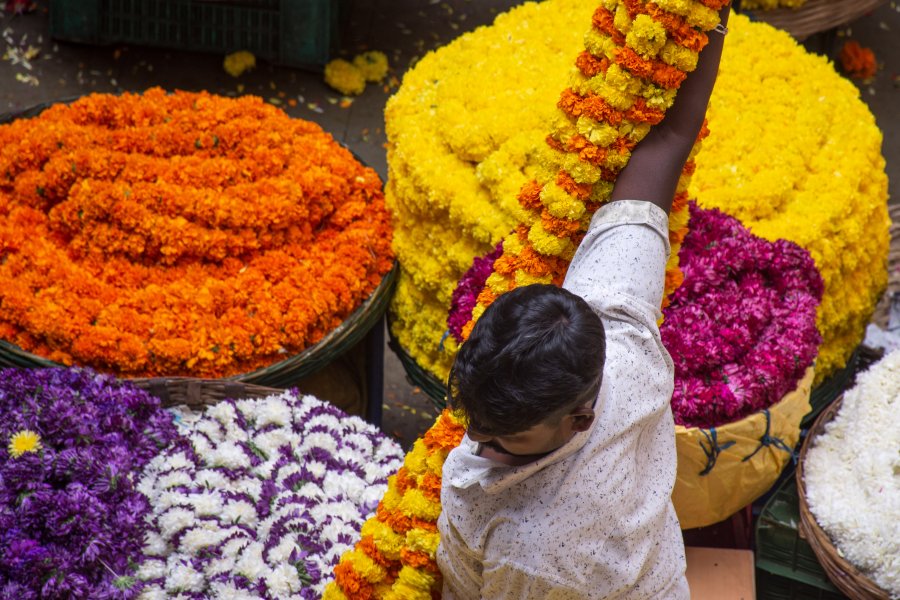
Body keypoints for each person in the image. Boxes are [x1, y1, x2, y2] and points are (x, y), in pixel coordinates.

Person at [436, 5, 731, 599]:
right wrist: (711, 14)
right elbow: (667, 142)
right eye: (476, 419)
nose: (476, 441)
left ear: (581, 419)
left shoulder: (540, 554)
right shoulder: (619, 328)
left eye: (505, 437)